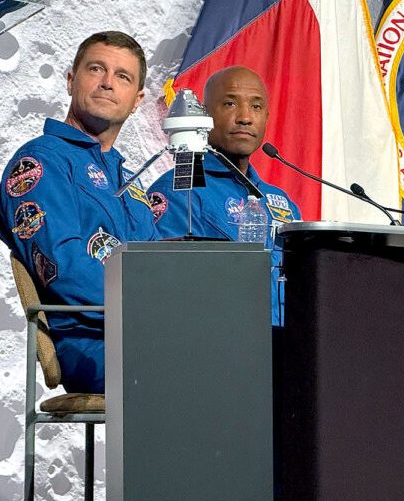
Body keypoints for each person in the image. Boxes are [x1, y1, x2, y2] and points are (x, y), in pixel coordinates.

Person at [0, 31, 159, 394]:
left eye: (123, 76)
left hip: (145, 335)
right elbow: (64, 268)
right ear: (71, 81)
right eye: (96, 69)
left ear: (136, 100)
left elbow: (158, 262)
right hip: (92, 341)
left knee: (262, 358)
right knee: (222, 367)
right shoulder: (41, 163)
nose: (107, 83)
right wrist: (155, 312)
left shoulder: (127, 179)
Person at [147, 66, 301, 325]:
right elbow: (168, 287)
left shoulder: (281, 201)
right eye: (230, 103)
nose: (245, 117)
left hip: (287, 347)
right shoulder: (180, 189)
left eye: (256, 107)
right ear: (205, 116)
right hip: (220, 343)